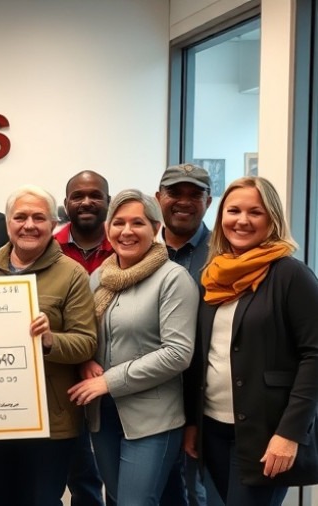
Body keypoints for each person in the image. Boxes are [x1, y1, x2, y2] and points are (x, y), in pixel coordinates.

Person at [183, 177, 318, 505]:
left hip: (266, 432)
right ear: (221, 217)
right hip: (213, 428)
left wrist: (289, 434)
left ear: (271, 219)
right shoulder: (213, 274)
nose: (242, 220)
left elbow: (314, 355)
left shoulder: (291, 275)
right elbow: (204, 353)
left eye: (254, 212)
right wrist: (193, 422)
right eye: (234, 211)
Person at [68, 190, 198, 505]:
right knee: (120, 497)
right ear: (108, 228)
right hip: (104, 416)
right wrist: (86, 361)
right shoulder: (100, 277)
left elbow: (178, 353)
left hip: (153, 417)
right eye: (119, 222)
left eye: (137, 223)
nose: (126, 231)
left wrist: (107, 381)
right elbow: (88, 333)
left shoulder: (172, 278)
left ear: (155, 228)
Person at [0, 185, 97, 505]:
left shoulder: (72, 274)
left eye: (39, 217)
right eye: (20, 217)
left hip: (51, 421)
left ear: (53, 225)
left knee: (41, 500)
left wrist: (49, 340)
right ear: (8, 223)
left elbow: (86, 343)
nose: (29, 225)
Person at [155, 163, 219, 506]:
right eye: (174, 193)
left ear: (208, 202)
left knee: (203, 495)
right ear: (158, 198)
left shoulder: (225, 254)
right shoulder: (139, 254)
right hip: (152, 399)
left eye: (195, 194)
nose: (184, 202)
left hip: (209, 403)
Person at [56, 170, 112, 506]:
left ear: (108, 201)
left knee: (113, 479)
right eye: (78, 196)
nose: (87, 201)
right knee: (80, 475)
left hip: (115, 379)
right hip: (66, 381)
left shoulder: (127, 246)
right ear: (67, 204)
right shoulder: (47, 248)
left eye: (95, 195)